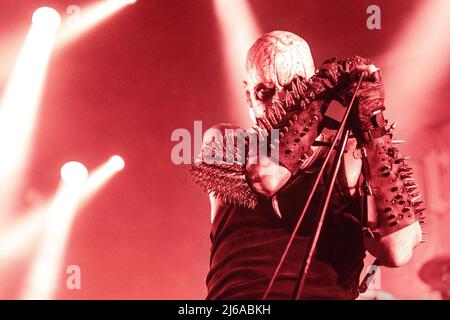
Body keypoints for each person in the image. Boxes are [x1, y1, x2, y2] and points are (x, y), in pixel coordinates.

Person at [190, 31, 424, 299]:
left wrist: (373, 129)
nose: (279, 101)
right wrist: (314, 99)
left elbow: (398, 250)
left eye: (293, 89)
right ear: (247, 94)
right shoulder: (223, 142)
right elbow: (266, 178)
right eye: (266, 92)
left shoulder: (347, 156)